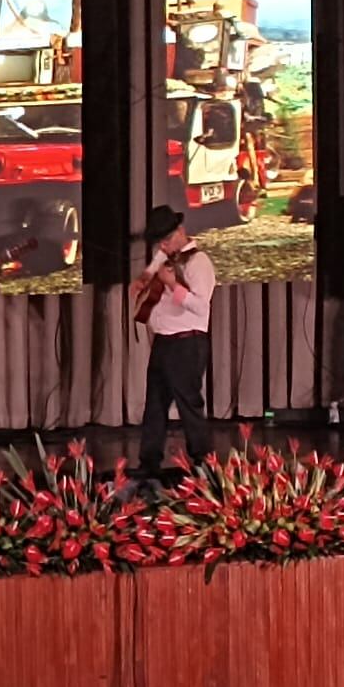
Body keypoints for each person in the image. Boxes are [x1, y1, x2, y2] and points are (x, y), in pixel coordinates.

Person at [131, 204, 216, 481]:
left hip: (187, 343)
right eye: (160, 242)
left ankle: (203, 463)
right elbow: (157, 261)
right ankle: (149, 463)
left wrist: (172, 285)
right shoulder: (167, 255)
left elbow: (201, 307)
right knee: (155, 406)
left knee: (189, 405)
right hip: (164, 342)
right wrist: (145, 278)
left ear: (181, 230)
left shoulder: (199, 262)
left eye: (167, 239)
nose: (163, 246)